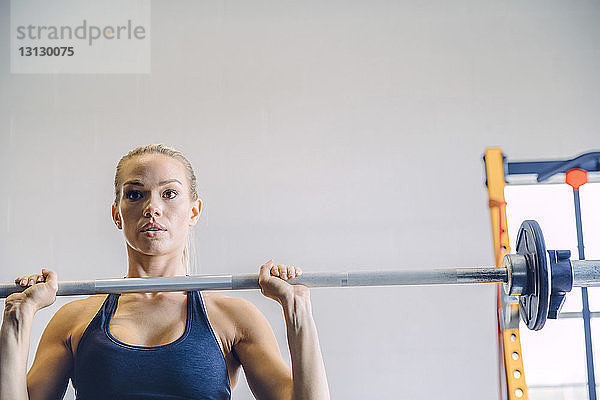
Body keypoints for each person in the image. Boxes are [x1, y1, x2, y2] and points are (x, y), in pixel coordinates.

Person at [0, 144, 330, 400]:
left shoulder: (233, 316)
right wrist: (18, 316)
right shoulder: (74, 319)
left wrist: (298, 310)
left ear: (194, 211)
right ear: (117, 214)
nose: (152, 207)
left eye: (169, 193)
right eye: (135, 194)